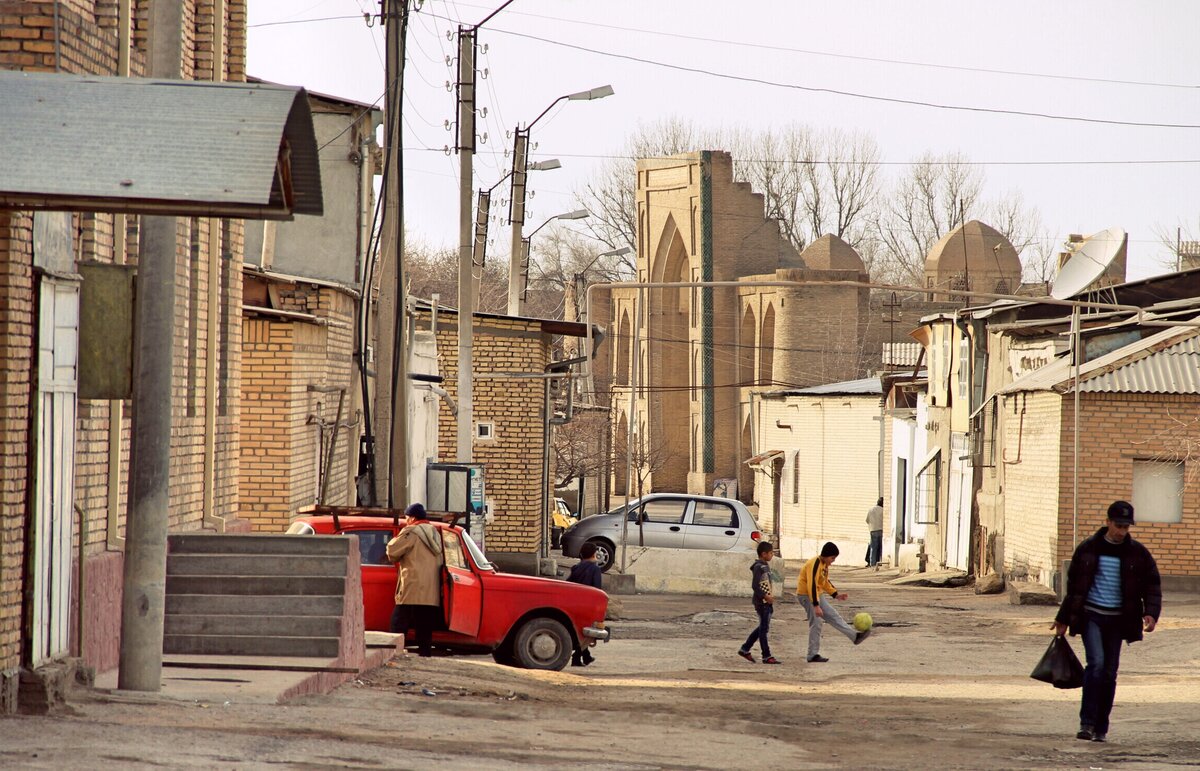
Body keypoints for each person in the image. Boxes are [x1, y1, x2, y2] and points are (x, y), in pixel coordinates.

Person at [1053, 500, 1161, 743]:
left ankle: (1101, 727)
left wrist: (1151, 613)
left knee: (1110, 673)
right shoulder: (1089, 549)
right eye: (1118, 526)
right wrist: (1063, 619)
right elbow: (1074, 588)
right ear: (1108, 522)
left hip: (1119, 620)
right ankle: (1087, 724)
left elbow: (1152, 584)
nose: (1122, 531)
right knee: (1097, 664)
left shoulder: (1137, 553)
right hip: (1092, 615)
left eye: (1126, 527)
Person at [386, 502, 444, 657]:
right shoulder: (436, 533)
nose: (406, 520)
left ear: (412, 518)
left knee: (398, 621)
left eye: (406, 517)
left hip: (412, 585)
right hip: (431, 589)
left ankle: (394, 652)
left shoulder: (412, 532)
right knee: (424, 624)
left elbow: (392, 551)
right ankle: (424, 654)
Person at [796, 541, 870, 662]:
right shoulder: (814, 563)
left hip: (818, 595)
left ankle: (855, 636)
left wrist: (835, 594)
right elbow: (812, 585)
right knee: (816, 623)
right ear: (826, 555)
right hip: (807, 595)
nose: (833, 561)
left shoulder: (824, 566)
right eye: (832, 558)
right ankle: (812, 655)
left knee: (834, 616)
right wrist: (816, 605)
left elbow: (824, 582)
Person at [737, 541, 781, 664]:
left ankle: (745, 649)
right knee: (763, 629)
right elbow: (755, 586)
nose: (772, 555)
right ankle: (766, 655)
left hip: (766, 602)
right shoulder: (758, 567)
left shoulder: (764, 566)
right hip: (761, 603)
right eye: (771, 553)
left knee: (763, 627)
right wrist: (765, 596)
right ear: (764, 554)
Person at [567, 542, 604, 666]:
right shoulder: (595, 569)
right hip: (588, 605)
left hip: (574, 604)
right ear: (594, 554)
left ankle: (584, 657)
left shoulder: (576, 568)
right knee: (586, 633)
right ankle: (577, 658)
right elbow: (597, 589)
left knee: (579, 631)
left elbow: (569, 584)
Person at [866, 497, 884, 568]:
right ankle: (878, 562)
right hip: (880, 529)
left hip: (872, 530)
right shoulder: (883, 510)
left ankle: (872, 563)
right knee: (880, 547)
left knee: (873, 547)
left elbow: (867, 520)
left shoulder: (870, 510)